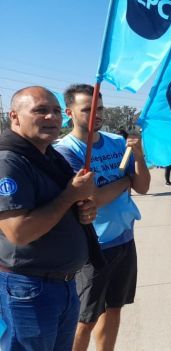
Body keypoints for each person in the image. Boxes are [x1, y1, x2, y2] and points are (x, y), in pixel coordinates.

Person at [0, 86, 102, 350]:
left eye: (56, 111)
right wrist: (69, 197)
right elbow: (19, 233)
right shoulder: (9, 162)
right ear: (15, 117)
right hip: (30, 288)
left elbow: (62, 206)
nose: (52, 117)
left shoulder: (48, 156)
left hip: (61, 284)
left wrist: (83, 211)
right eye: (40, 110)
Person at [53, 84, 151, 351]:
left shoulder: (118, 143)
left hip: (124, 239)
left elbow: (142, 186)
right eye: (87, 109)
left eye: (100, 108)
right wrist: (124, 181)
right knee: (84, 318)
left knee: (115, 308)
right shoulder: (65, 150)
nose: (95, 114)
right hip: (92, 247)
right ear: (69, 112)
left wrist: (139, 157)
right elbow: (92, 197)